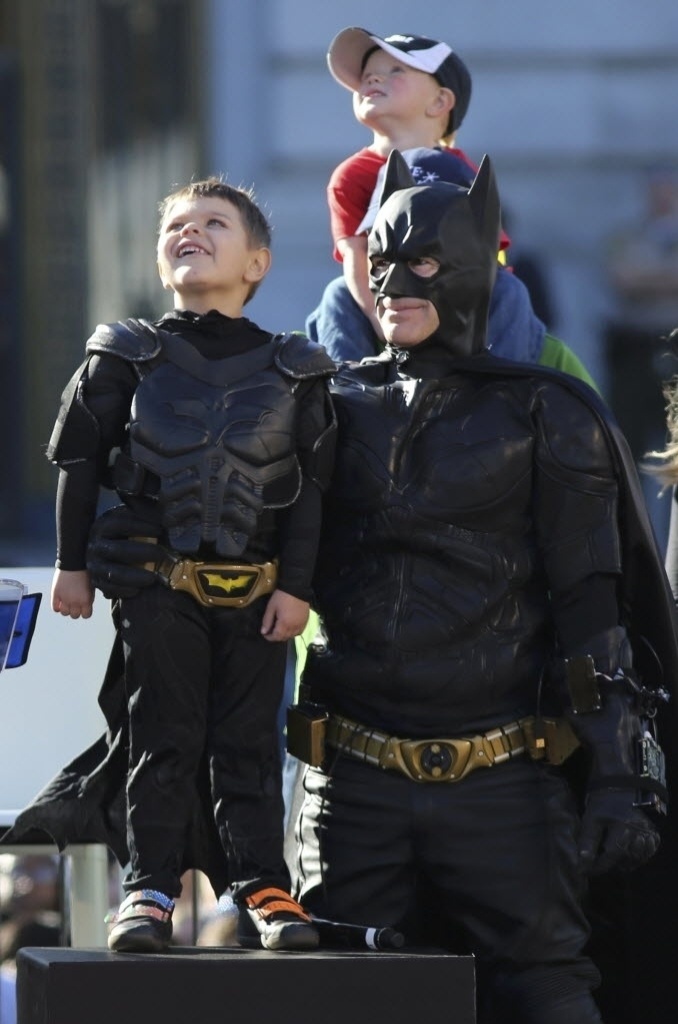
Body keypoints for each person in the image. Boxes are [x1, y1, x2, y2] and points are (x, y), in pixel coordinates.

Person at [289, 152, 678, 1022]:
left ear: (477, 266)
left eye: (422, 261)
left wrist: (620, 775)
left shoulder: (548, 411)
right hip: (351, 783)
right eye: (379, 259)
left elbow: (594, 609)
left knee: (548, 988)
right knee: (340, 995)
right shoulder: (321, 406)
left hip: (504, 783)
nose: (395, 281)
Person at [8, 176, 336, 954]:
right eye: (176, 227)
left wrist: (296, 588)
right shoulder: (122, 355)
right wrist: (71, 565)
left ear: (256, 260)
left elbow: (313, 494)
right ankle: (149, 890)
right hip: (158, 591)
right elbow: (80, 464)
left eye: (213, 223)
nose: (190, 233)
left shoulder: (299, 369)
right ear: (162, 262)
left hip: (258, 598)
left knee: (250, 745)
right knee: (161, 737)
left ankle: (262, 887)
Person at [306, 27, 594, 387]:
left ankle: (500, 391)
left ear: (440, 102)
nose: (374, 77)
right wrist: (386, 325)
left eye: (397, 70)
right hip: (390, 294)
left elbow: (490, 254)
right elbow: (356, 257)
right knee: (336, 296)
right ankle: (350, 394)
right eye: (367, 75)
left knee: (510, 290)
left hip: (453, 293)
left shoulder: (462, 171)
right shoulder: (350, 175)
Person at [602, 164, 678, 543]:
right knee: (627, 450)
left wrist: (651, 276)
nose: (662, 197)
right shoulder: (627, 235)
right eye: (657, 189)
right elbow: (624, 280)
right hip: (634, 353)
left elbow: (639, 278)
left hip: (674, 350)